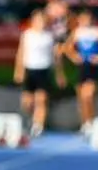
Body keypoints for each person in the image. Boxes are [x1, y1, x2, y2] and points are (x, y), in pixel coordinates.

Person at [62, 8, 98, 136]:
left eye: (88, 19)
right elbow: (67, 47)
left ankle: (91, 122)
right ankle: (85, 124)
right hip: (83, 67)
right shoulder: (77, 32)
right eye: (83, 19)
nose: (86, 21)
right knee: (82, 98)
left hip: (94, 68)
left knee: (88, 95)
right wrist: (74, 56)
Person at [13, 9, 67, 138]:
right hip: (30, 69)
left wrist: (59, 74)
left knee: (41, 100)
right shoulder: (27, 35)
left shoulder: (50, 36)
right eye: (38, 20)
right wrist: (18, 70)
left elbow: (56, 57)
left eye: (43, 20)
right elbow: (21, 53)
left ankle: (38, 126)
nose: (41, 23)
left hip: (44, 69)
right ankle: (30, 120)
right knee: (28, 102)